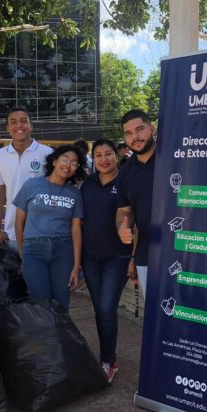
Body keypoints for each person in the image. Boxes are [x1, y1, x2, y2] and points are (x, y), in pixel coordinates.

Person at [81, 139, 131, 382]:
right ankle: (106, 357)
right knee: (100, 309)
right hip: (90, 257)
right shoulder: (87, 185)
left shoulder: (125, 181)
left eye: (108, 154)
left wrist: (133, 257)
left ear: (117, 156)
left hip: (117, 256)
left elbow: (135, 218)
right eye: (98, 155)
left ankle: (108, 361)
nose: (103, 159)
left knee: (106, 308)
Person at [13, 144, 85, 311]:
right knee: (40, 302)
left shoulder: (75, 194)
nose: (68, 165)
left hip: (63, 251)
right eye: (65, 159)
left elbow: (76, 230)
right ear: (54, 161)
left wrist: (76, 266)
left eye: (74, 163)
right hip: (34, 250)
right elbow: (19, 222)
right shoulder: (32, 185)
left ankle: (60, 337)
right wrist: (23, 252)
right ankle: (44, 337)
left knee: (61, 302)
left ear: (76, 170)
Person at [0, 106, 52, 251]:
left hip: (43, 234)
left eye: (23, 121)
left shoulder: (48, 154)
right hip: (11, 235)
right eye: (13, 122)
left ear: (31, 126)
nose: (19, 125)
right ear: (8, 128)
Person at [116, 109, 156, 299]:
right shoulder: (125, 172)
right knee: (156, 317)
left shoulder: (176, 158)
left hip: (185, 251)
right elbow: (124, 211)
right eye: (129, 133)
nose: (135, 137)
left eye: (140, 129)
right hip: (146, 254)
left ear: (152, 129)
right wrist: (122, 227)